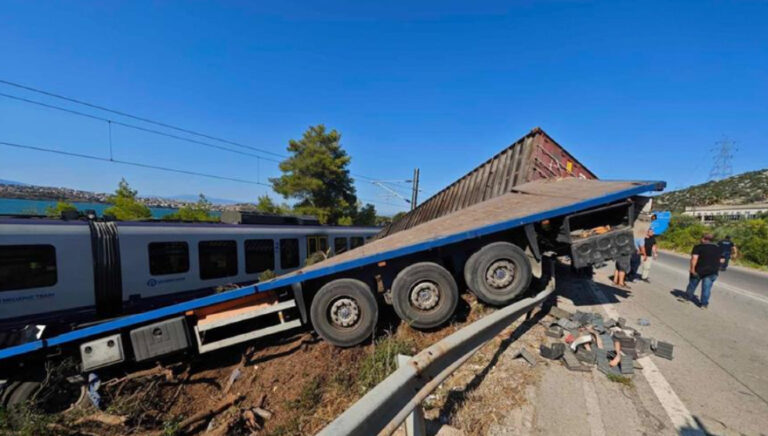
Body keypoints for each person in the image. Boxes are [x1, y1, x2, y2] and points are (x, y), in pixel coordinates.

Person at [685, 233, 724, 309]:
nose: (700, 239)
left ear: (704, 239)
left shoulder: (698, 247)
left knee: (692, 285)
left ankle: (687, 298)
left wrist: (692, 269)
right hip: (712, 271)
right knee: (707, 288)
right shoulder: (718, 248)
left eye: (701, 238)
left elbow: (694, 258)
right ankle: (704, 304)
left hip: (699, 270)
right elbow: (722, 260)